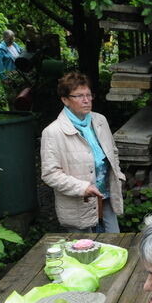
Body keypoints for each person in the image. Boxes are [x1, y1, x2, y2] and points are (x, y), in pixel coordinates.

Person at [41, 71, 124, 232]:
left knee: (115, 244)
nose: (86, 100)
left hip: (106, 195)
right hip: (79, 204)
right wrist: (82, 188)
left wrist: (117, 174)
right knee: (85, 250)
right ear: (65, 100)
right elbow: (50, 174)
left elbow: (112, 152)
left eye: (88, 95)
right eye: (79, 96)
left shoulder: (100, 120)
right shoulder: (53, 132)